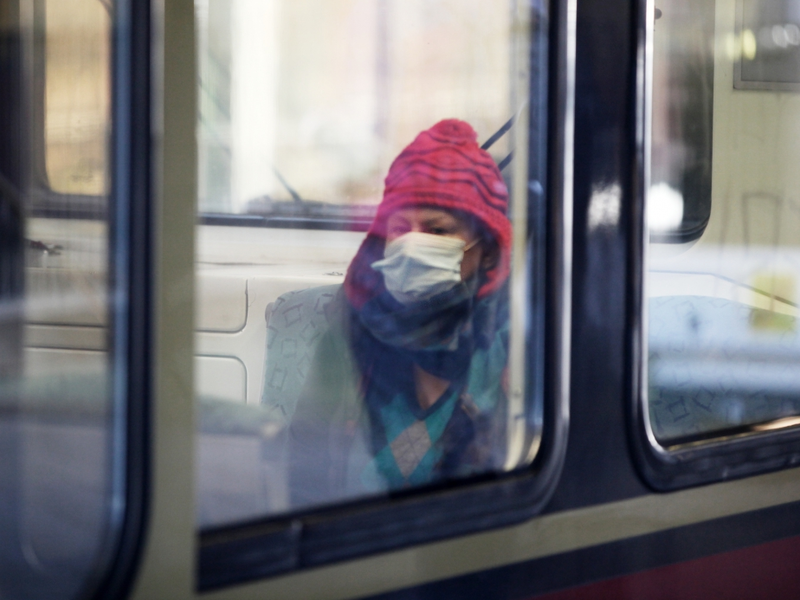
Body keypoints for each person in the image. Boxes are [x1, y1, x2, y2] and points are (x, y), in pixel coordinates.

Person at [287, 119, 513, 509]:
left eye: (437, 231)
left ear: (486, 251)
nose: (412, 245)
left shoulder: (512, 346)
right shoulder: (348, 330)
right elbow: (303, 476)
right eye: (399, 228)